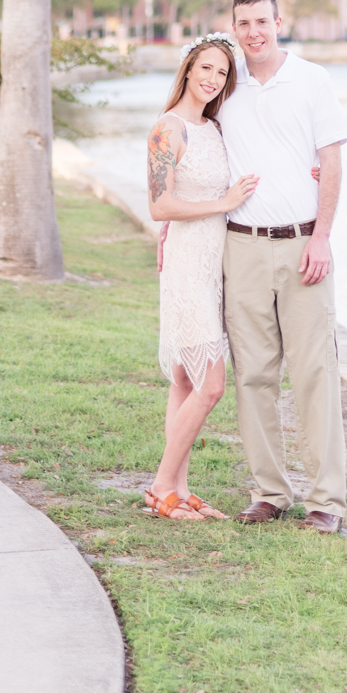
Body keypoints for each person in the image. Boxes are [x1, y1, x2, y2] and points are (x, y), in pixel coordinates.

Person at [219, 0, 347, 531]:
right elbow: (190, 145)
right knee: (252, 374)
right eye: (243, 24)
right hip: (241, 245)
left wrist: (321, 237)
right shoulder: (224, 84)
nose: (253, 33)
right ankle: (270, 493)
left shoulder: (313, 80)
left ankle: (327, 501)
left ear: (280, 22)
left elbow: (332, 162)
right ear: (233, 27)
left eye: (262, 22)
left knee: (314, 374)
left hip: (303, 246)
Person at [145, 34, 260, 521]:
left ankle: (180, 488)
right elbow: (159, 206)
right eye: (206, 68)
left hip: (216, 264)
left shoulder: (214, 129)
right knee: (211, 384)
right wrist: (223, 203)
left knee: (184, 381)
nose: (213, 80)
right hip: (188, 264)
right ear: (188, 69)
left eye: (222, 73)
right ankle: (160, 487)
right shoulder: (167, 130)